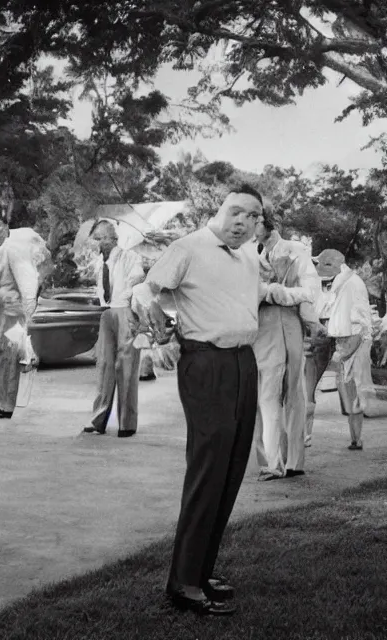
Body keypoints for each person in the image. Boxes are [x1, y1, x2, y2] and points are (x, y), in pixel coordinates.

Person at [131, 184, 275, 616]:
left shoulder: (249, 254)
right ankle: (183, 584)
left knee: (231, 470)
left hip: (243, 362)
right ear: (219, 210)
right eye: (235, 211)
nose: (242, 222)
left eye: (252, 216)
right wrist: (158, 333)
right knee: (208, 469)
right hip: (207, 363)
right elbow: (143, 293)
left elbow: (243, 298)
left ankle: (202, 570)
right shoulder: (187, 246)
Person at [251, 215, 320, 480]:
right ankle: (271, 462)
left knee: (294, 393)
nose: (248, 227)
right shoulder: (251, 253)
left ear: (268, 225)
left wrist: (282, 293)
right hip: (263, 326)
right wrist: (268, 292)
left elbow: (311, 291)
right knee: (265, 395)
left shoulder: (296, 250)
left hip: (289, 322)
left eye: (254, 221)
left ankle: (293, 461)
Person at [83, 220, 145, 437]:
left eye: (103, 238)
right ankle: (98, 420)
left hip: (126, 310)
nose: (100, 242)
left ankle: (127, 424)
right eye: (97, 238)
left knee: (126, 367)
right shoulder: (100, 262)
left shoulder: (129, 256)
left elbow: (138, 277)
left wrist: (126, 297)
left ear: (114, 238)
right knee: (105, 365)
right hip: (107, 312)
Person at [0, 218, 39, 421]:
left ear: (6, 231)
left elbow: (28, 281)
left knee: (10, 354)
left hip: (12, 309)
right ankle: (0, 402)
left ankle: (6, 405)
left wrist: (28, 315)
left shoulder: (13, 250)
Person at [314, 249, 373, 451]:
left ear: (332, 264)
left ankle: (356, 439)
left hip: (353, 343)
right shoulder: (341, 282)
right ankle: (355, 438)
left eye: (321, 264)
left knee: (354, 392)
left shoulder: (352, 284)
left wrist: (346, 351)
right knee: (349, 394)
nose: (317, 269)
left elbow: (361, 324)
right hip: (345, 342)